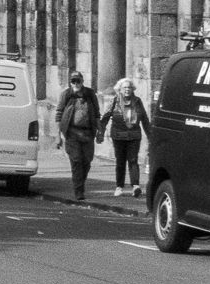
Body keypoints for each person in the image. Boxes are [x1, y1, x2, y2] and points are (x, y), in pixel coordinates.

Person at [98, 78, 152, 197]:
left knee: (133, 160)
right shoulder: (115, 101)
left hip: (134, 135)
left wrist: (150, 135)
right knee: (120, 161)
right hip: (118, 136)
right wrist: (100, 132)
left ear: (132, 89)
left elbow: (144, 119)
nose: (127, 89)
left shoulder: (137, 101)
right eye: (125, 87)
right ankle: (119, 187)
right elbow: (105, 116)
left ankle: (136, 186)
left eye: (129, 87)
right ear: (120, 90)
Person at [54, 69, 102, 201]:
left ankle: (80, 182)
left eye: (78, 81)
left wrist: (100, 131)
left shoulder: (90, 94)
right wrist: (58, 135)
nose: (76, 83)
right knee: (76, 161)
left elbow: (97, 114)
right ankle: (79, 191)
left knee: (87, 161)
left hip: (88, 133)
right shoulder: (66, 94)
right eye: (73, 81)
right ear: (70, 82)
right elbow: (58, 114)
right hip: (72, 133)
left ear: (82, 81)